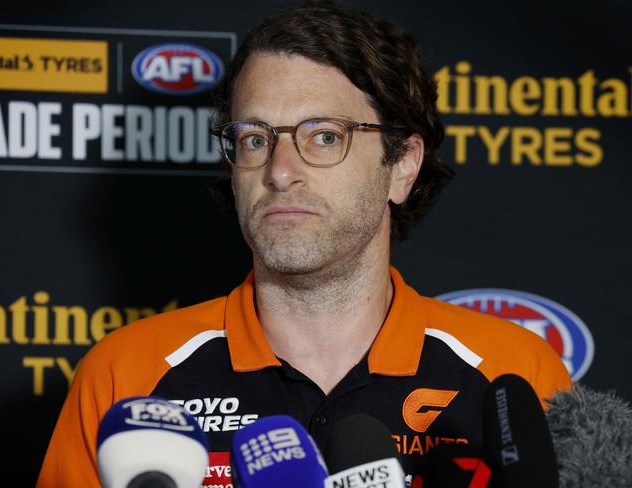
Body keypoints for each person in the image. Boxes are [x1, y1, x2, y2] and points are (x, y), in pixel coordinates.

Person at [37, 1, 571, 485]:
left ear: (402, 166)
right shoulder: (125, 375)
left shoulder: (515, 375)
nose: (280, 171)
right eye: (254, 138)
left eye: (324, 136)